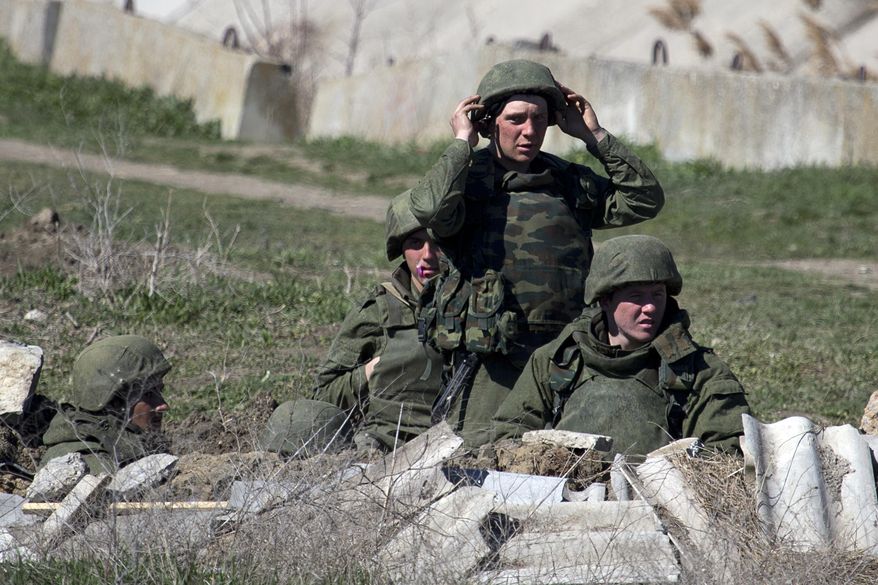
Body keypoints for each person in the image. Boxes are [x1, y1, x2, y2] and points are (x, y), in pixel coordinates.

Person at [406, 59, 665, 446]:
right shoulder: (467, 181)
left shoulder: (568, 181)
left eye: (540, 119)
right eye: (516, 119)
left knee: (577, 460)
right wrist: (462, 143)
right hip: (493, 358)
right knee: (482, 460)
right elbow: (427, 209)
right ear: (488, 122)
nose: (529, 132)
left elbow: (643, 199)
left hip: (565, 354)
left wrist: (594, 135)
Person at [491, 235, 751, 457]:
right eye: (636, 297)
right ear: (605, 301)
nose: (649, 307)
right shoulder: (558, 360)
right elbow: (510, 433)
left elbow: (725, 452)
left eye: (657, 295)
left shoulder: (698, 369)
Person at [260, 193, 445, 455]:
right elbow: (324, 397)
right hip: (385, 449)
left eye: (437, 243)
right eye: (416, 243)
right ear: (401, 248)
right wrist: (370, 372)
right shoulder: (378, 309)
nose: (427, 256)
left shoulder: (475, 309)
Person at [40, 335, 172, 474]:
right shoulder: (88, 464)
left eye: (160, 390)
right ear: (114, 403)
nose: (164, 406)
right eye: (148, 394)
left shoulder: (126, 447)